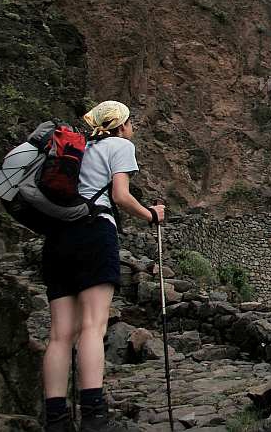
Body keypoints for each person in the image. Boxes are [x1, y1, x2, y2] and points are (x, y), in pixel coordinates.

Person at [42, 101, 166, 432]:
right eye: (130, 123)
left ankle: (55, 418)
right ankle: (94, 415)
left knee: (58, 335)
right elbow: (121, 195)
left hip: (57, 236)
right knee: (93, 326)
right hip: (94, 232)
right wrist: (150, 214)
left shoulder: (75, 150)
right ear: (120, 125)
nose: (132, 129)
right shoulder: (119, 146)